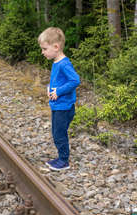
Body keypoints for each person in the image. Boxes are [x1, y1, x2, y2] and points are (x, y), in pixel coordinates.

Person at [38, 27, 80, 171]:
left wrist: (59, 91)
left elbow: (75, 80)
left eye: (44, 49)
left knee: (59, 134)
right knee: (57, 133)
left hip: (64, 107)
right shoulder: (56, 62)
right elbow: (58, 81)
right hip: (58, 106)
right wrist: (50, 88)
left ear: (56, 47)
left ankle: (64, 161)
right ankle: (61, 157)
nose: (43, 52)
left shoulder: (64, 64)